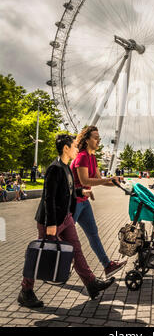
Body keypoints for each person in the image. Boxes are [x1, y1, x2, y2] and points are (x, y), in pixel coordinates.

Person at [18, 134, 115, 309]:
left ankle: (91, 284)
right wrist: (51, 224)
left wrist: (80, 193)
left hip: (66, 218)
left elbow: (67, 192)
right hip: (51, 220)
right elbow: (49, 198)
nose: (77, 149)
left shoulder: (66, 168)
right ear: (66, 148)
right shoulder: (54, 168)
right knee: (39, 253)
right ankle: (26, 291)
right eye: (75, 146)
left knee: (76, 250)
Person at [70, 126, 127, 279]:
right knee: (67, 237)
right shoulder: (81, 156)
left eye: (99, 138)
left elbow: (98, 180)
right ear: (87, 139)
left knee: (93, 234)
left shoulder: (92, 157)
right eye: (95, 137)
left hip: (84, 202)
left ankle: (107, 266)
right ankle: (57, 263)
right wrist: (108, 179)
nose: (98, 140)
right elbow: (85, 180)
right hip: (73, 202)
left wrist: (116, 183)